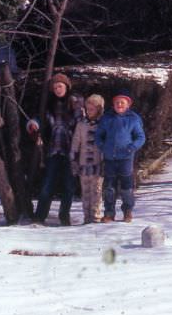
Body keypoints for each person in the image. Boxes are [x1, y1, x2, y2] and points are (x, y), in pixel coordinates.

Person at [27, 72, 83, 226]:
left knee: (69, 186)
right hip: (53, 150)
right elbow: (39, 119)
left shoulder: (76, 102)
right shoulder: (49, 104)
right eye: (55, 87)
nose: (58, 89)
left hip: (71, 151)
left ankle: (64, 216)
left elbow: (82, 123)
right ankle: (40, 217)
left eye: (60, 86)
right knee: (47, 185)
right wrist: (33, 124)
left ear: (67, 86)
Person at [95, 90, 146, 223]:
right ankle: (109, 213)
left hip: (126, 158)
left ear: (128, 104)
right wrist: (103, 146)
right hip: (110, 158)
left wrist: (132, 147)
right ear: (113, 104)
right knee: (109, 188)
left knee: (126, 187)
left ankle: (127, 211)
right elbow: (98, 135)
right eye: (117, 102)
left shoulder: (133, 119)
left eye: (122, 102)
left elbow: (140, 137)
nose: (119, 105)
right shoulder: (107, 118)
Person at [70, 94, 105, 224]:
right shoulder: (81, 125)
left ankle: (95, 216)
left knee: (96, 190)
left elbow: (105, 143)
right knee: (85, 191)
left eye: (92, 109)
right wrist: (73, 156)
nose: (89, 112)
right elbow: (76, 141)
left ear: (99, 110)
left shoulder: (103, 125)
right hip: (83, 163)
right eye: (87, 109)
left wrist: (104, 160)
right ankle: (86, 216)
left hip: (97, 163)